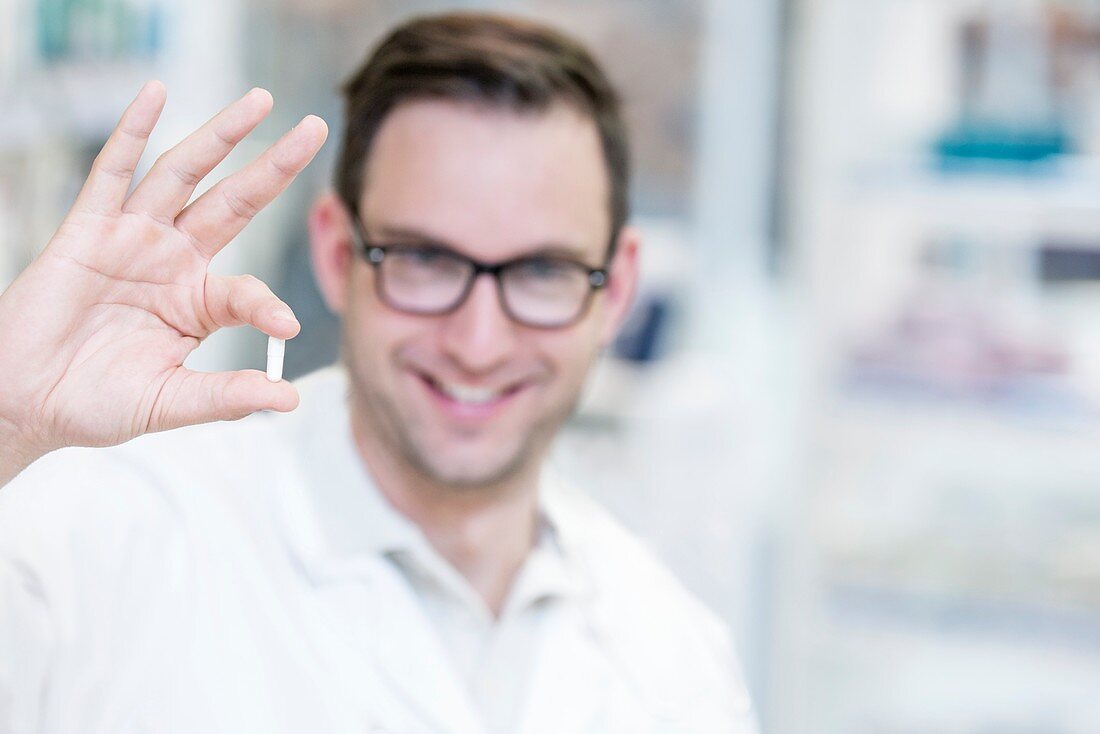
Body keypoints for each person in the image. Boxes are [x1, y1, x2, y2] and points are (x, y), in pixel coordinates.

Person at [0, 12, 757, 733]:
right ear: (336, 255)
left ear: (616, 289)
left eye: (542, 271)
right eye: (425, 260)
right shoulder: (92, 542)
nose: (479, 342)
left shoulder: (677, 659)